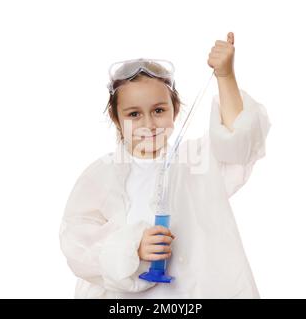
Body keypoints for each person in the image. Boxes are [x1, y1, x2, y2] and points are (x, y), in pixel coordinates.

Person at [59, 32, 271, 298]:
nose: (148, 125)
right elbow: (77, 245)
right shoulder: (101, 175)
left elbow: (238, 143)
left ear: (175, 109)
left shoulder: (198, 161)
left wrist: (226, 77)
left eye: (158, 110)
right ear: (115, 118)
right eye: (134, 114)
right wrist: (132, 248)